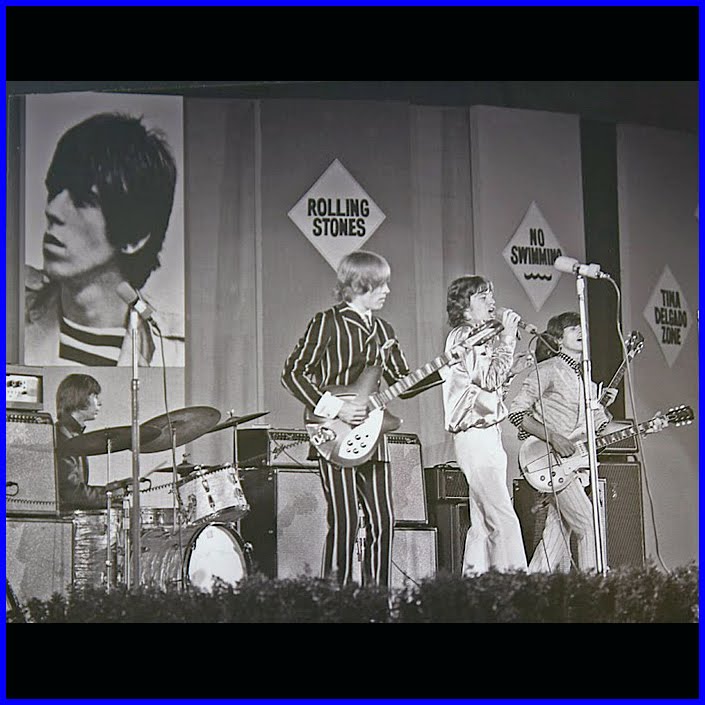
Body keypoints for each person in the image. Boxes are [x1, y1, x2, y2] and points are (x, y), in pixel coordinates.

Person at [281, 250, 415, 588]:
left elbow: (406, 382)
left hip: (373, 437)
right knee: (345, 521)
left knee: (384, 522)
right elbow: (292, 373)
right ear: (359, 285)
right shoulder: (327, 322)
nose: (387, 291)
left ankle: (377, 601)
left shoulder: (384, 330)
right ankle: (335, 602)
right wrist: (336, 408)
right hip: (334, 435)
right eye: (381, 285)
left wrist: (451, 365)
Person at [25, 111, 184, 366]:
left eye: (82, 200)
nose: (52, 209)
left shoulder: (176, 353)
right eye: (54, 190)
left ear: (135, 236)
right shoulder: (10, 311)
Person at [508, 311, 618, 573]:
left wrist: (609, 412)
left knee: (556, 535)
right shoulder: (548, 369)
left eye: (582, 327)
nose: (581, 331)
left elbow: (597, 429)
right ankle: (594, 589)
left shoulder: (587, 380)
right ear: (558, 339)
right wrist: (554, 438)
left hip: (573, 466)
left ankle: (531, 586)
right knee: (589, 526)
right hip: (549, 461)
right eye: (572, 328)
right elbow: (516, 413)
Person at [439, 275, 528, 575]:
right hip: (476, 435)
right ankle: (518, 583)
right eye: (483, 296)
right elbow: (488, 380)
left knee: (483, 523)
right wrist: (508, 339)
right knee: (502, 516)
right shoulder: (466, 336)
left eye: (491, 295)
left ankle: (476, 584)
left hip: (486, 433)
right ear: (464, 305)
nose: (492, 302)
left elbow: (488, 390)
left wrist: (510, 370)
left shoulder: (476, 337)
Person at [55, 373, 123, 513]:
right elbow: (71, 492)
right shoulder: (62, 437)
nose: (100, 403)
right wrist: (110, 495)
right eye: (95, 396)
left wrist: (111, 489)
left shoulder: (69, 433)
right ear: (80, 397)